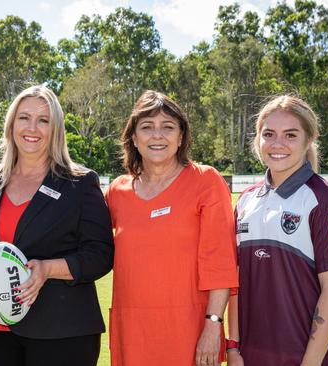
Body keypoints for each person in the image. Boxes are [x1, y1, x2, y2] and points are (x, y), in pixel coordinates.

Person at [0, 85, 114, 366]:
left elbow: (100, 255)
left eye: (43, 120)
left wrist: (47, 270)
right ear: (11, 124)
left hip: (63, 333)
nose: (32, 127)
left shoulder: (79, 183)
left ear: (55, 129)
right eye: (24, 117)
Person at [105, 90, 239, 366]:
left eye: (167, 127)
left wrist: (213, 325)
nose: (157, 135)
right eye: (147, 127)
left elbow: (221, 263)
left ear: (180, 137)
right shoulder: (117, 192)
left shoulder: (206, 182)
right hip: (132, 334)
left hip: (190, 333)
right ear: (133, 137)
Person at [227, 95, 328, 366]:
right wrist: (233, 349)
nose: (277, 144)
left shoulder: (327, 202)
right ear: (257, 138)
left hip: (305, 358)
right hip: (250, 356)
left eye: (290, 135)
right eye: (268, 134)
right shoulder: (245, 200)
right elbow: (234, 281)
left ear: (310, 138)